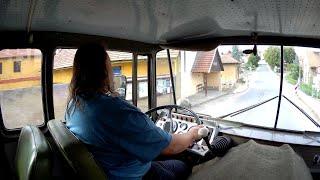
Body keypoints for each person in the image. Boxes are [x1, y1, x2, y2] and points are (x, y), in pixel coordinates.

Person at [65, 44, 202, 180]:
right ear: (104, 72)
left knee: (177, 165)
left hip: (117, 168)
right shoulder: (115, 111)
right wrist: (192, 134)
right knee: (185, 167)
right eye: (109, 66)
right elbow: (171, 147)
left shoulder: (74, 104)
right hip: (134, 175)